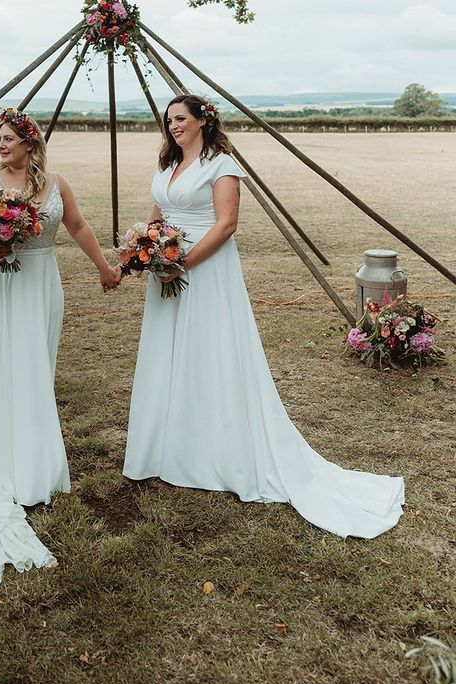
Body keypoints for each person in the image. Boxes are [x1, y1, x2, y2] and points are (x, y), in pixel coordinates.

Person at [123, 95, 404, 539]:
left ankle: (212, 449)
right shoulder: (167, 165)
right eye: (169, 120)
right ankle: (165, 444)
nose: (173, 126)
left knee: (208, 350)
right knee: (169, 353)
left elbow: (226, 224)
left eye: (181, 119)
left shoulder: (222, 166)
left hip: (205, 269)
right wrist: (144, 248)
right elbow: (157, 217)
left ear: (202, 121)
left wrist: (184, 262)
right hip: (167, 271)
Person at [0, 108, 121, 588]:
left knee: (36, 368)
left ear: (30, 143)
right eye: (0, 139)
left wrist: (103, 267)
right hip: (0, 284)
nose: (2, 145)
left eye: (10, 138)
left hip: (41, 283)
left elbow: (76, 227)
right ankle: (1, 459)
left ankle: (34, 464)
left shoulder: (56, 182)